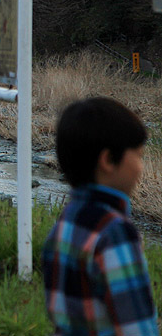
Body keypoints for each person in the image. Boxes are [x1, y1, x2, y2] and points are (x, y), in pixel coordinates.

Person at [41, 97, 158, 335]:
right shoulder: (115, 232)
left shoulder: (64, 223)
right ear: (107, 161)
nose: (141, 167)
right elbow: (137, 328)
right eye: (138, 155)